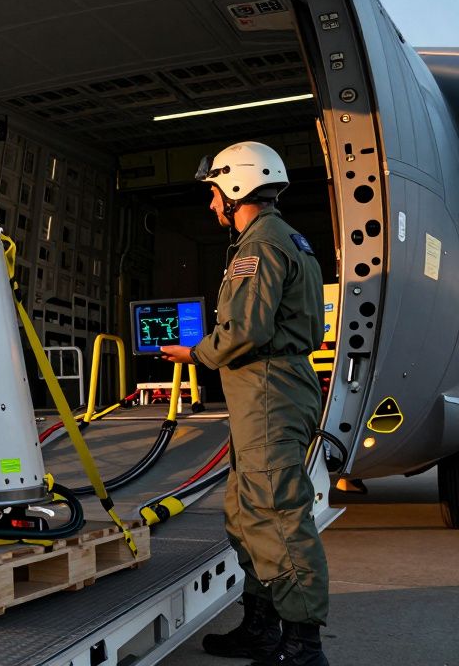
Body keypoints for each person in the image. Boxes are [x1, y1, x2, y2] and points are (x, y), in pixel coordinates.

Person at [161, 141, 329, 666]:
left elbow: (247, 328)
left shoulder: (260, 245)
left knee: (277, 514)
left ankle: (302, 647)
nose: (213, 206)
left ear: (235, 188)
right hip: (266, 391)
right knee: (245, 513)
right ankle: (262, 628)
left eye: (214, 193)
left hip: (268, 390)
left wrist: (196, 352)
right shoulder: (285, 239)